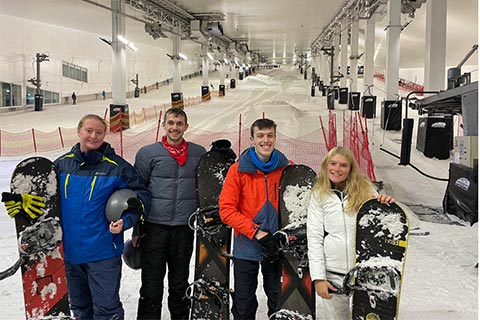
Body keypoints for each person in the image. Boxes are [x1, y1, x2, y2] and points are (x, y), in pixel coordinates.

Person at [1, 114, 150, 319]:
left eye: (99, 132)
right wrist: (21, 203)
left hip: (103, 252)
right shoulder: (61, 165)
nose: (93, 136)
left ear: (105, 135)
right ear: (79, 131)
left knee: (107, 310)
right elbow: (44, 199)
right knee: (79, 308)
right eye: (89, 130)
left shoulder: (118, 167)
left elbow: (141, 197)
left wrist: (126, 221)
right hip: (69, 253)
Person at [306, 146, 395, 320]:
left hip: (364, 272)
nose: (337, 169)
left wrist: (386, 205)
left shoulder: (366, 191)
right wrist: (318, 278)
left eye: (343, 165)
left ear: (351, 169)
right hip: (333, 273)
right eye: (333, 164)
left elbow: (378, 223)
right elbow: (314, 238)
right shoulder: (319, 194)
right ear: (326, 165)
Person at [134, 108, 206, 320]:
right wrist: (138, 229)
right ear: (164, 125)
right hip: (154, 227)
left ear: (186, 126)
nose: (175, 127)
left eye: (179, 123)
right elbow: (139, 190)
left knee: (179, 283)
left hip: (184, 228)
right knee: (151, 284)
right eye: (171, 122)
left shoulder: (198, 153)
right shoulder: (148, 153)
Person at [219, 118, 291, 320]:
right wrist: (256, 233)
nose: (265, 140)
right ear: (252, 139)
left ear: (275, 138)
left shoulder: (286, 168)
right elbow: (226, 210)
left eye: (270, 135)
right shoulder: (238, 170)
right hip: (246, 247)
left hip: (276, 247)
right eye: (260, 135)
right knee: (243, 304)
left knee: (278, 302)